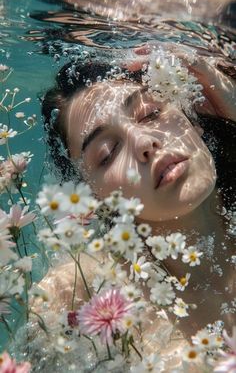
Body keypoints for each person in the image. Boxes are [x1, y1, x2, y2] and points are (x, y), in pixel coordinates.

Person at [35, 45, 236, 368]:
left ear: (190, 117)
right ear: (92, 196)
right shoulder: (77, 294)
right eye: (108, 152)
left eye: (151, 114)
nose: (145, 143)